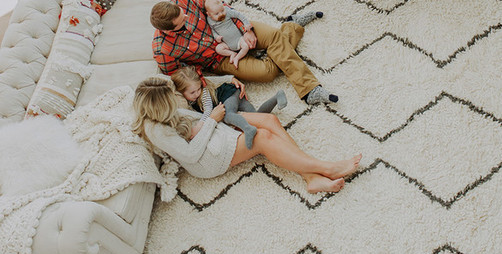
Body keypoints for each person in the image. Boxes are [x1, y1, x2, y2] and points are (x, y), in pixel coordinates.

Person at [132, 75, 361, 194]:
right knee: (263, 138)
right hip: (207, 158)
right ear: (159, 108)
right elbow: (190, 155)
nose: (175, 100)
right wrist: (211, 122)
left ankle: (311, 177)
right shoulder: (157, 130)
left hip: (210, 131)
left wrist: (210, 118)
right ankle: (326, 168)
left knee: (269, 119)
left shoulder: (157, 98)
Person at [151, 0, 337, 106]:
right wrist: (210, 80)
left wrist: (244, 28)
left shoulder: (181, 1)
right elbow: (182, 75)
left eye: (183, 13)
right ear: (168, 30)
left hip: (230, 26)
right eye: (182, 20)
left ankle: (310, 90)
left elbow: (216, 5)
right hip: (221, 58)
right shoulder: (163, 50)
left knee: (273, 37)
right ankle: (291, 27)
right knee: (267, 73)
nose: (186, 15)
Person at [170, 65, 287, 149]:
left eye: (198, 89)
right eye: (192, 92)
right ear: (181, 92)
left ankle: (248, 129)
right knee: (257, 116)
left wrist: (200, 125)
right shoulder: (184, 99)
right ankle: (277, 97)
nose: (197, 93)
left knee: (228, 115)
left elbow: (208, 111)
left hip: (228, 95)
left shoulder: (203, 94)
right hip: (235, 94)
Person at [205, 0, 253, 68]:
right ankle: (232, 54)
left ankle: (237, 58)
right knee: (218, 49)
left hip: (238, 39)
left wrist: (246, 24)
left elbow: (239, 15)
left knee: (246, 46)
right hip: (227, 44)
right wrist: (217, 37)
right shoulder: (210, 20)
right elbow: (212, 30)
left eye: (222, 10)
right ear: (209, 14)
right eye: (217, 14)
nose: (221, 14)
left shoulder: (227, 12)